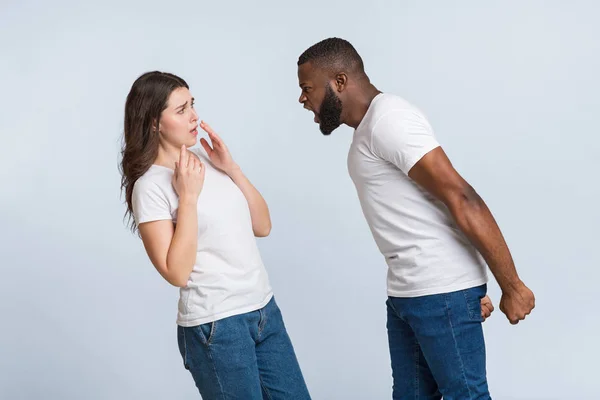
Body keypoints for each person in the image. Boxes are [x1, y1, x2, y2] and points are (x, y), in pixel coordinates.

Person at [296, 38, 535, 399]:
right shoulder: (369, 129)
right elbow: (424, 209)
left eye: (307, 88)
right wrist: (472, 286)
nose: (302, 99)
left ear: (340, 82)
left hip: (439, 292)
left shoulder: (389, 120)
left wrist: (511, 285)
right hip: (410, 294)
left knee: (465, 395)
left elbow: (461, 196)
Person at [120, 71, 311, 400]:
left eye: (192, 105)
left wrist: (231, 167)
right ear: (154, 122)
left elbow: (262, 225)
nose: (194, 116)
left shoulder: (206, 160)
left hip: (263, 310)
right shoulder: (149, 187)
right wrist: (189, 198)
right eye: (181, 110)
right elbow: (176, 272)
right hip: (217, 326)